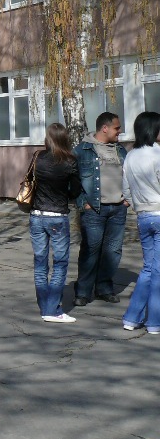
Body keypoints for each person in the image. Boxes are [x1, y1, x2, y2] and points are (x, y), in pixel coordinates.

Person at [28, 123, 84, 324]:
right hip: (57, 216)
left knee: (40, 263)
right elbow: (76, 190)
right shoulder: (70, 161)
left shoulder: (38, 157)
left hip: (36, 215)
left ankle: (45, 307)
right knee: (59, 264)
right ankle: (52, 310)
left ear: (48, 138)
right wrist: (64, 194)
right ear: (64, 138)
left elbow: (30, 181)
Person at [74, 112, 128, 306]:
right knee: (90, 251)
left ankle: (104, 288)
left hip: (118, 209)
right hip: (94, 210)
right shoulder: (83, 150)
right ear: (105, 128)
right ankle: (83, 292)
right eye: (117, 128)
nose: (119, 131)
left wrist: (127, 199)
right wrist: (83, 203)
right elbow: (72, 180)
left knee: (113, 251)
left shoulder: (120, 150)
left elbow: (130, 174)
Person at [121, 112, 160, 333]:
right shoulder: (157, 153)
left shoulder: (130, 155)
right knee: (158, 271)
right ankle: (154, 322)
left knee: (148, 268)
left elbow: (126, 188)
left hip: (143, 215)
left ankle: (132, 318)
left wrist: (137, 205)